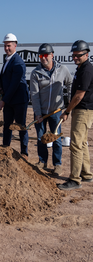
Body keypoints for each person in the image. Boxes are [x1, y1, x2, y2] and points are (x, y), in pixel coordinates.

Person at [30, 43, 72, 175]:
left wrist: (69, 101)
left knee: (56, 139)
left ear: (52, 55)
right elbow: (35, 95)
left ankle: (57, 165)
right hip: (41, 113)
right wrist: (37, 114)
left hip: (56, 112)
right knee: (41, 138)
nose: (43, 58)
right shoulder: (36, 73)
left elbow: (70, 83)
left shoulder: (62, 69)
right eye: (41, 56)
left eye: (46, 55)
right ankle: (42, 162)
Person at [58, 40, 93, 190]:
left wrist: (67, 111)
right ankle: (86, 174)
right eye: (73, 55)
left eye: (78, 55)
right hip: (83, 110)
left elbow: (79, 96)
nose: (75, 58)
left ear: (87, 54)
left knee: (76, 144)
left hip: (83, 110)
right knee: (82, 142)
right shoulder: (82, 68)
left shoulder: (86, 69)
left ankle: (74, 179)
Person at [0, 33, 29, 157]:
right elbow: (7, 80)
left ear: (15, 45)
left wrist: (4, 100)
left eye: (9, 46)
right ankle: (6, 148)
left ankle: (24, 152)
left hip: (19, 100)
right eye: (5, 46)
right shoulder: (7, 60)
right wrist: (3, 89)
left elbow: (15, 84)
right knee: (7, 125)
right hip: (10, 99)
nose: (7, 48)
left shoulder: (18, 62)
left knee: (21, 126)